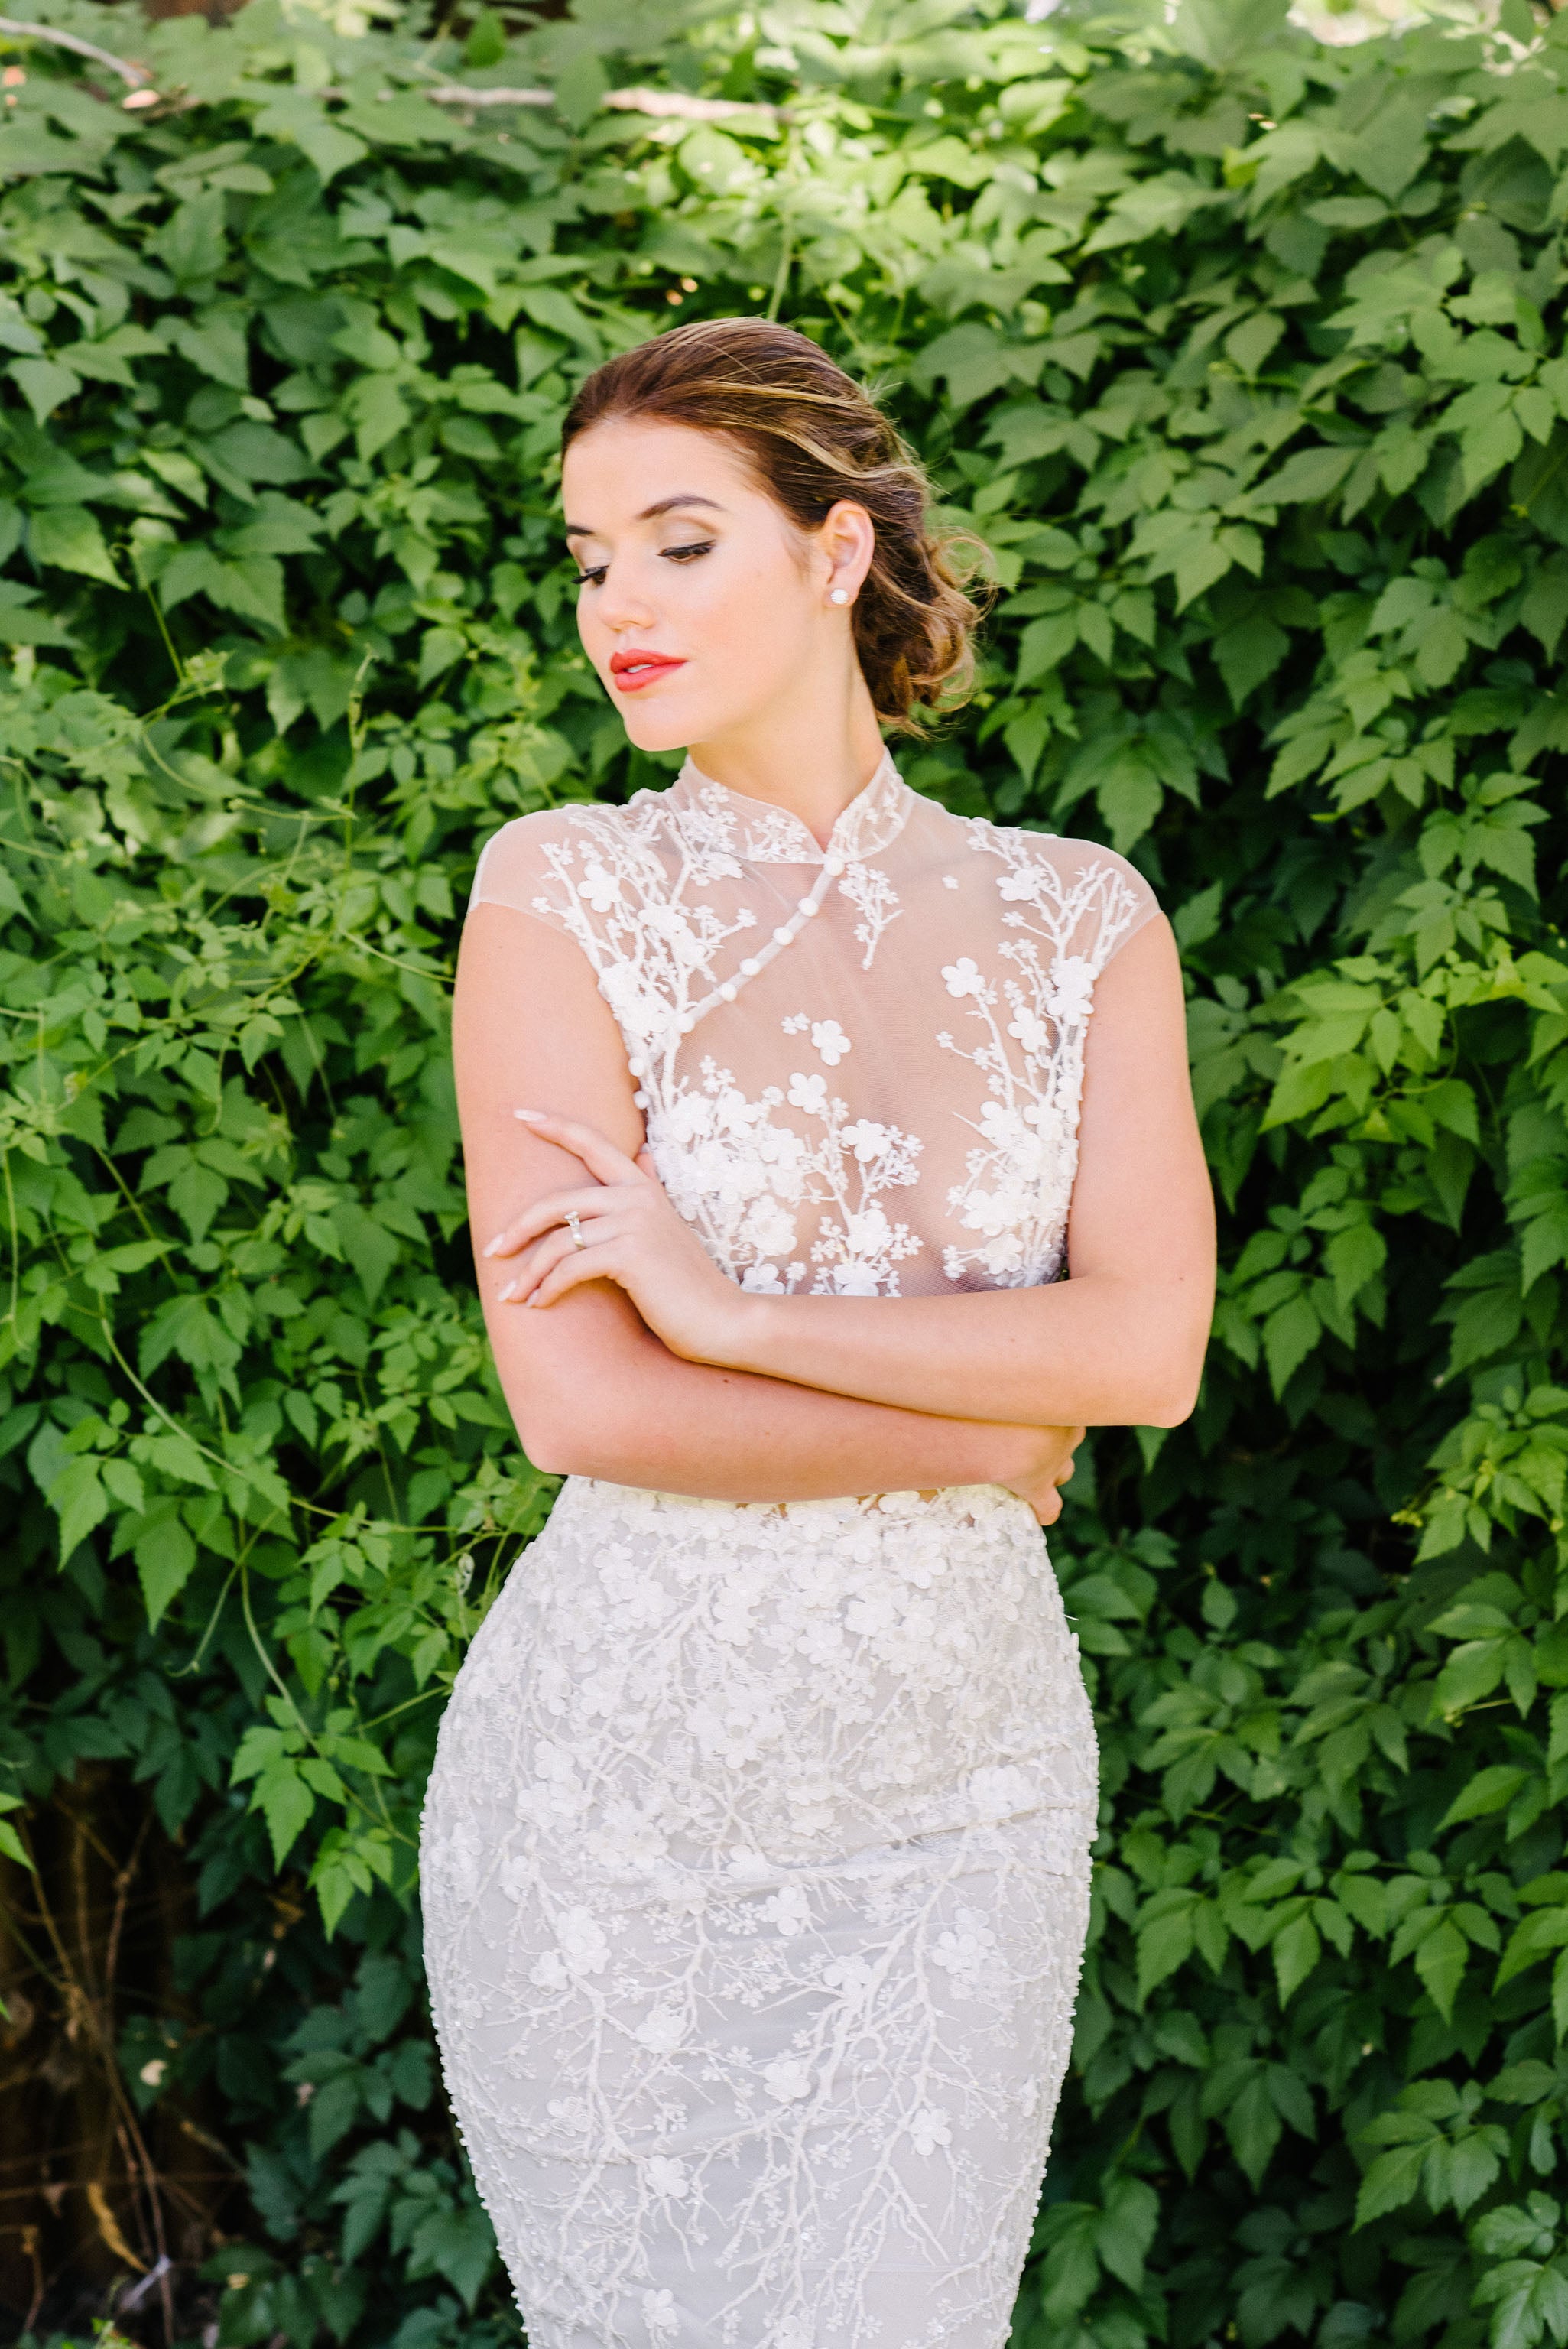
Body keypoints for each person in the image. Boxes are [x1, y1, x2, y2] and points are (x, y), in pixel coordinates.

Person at [419, 317, 1215, 2349]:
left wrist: (728, 1308)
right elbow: (581, 1400)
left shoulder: (1082, 919)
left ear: (839, 555)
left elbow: (1143, 1357)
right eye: (589, 555)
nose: (618, 604)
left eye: (679, 542)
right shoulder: (557, 892)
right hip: (620, 1789)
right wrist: (977, 1434)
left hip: (968, 1791)